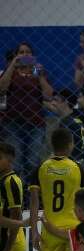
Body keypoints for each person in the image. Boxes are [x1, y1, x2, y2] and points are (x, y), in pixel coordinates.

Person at [0, 42, 54, 178]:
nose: (25, 55)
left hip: (35, 123)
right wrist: (13, 64)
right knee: (15, 163)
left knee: (33, 162)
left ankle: (32, 194)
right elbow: (2, 89)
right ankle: (17, 194)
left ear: (33, 55)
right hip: (12, 123)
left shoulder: (38, 72)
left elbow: (48, 95)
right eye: (21, 52)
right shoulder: (11, 71)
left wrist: (40, 76)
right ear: (16, 55)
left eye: (28, 52)